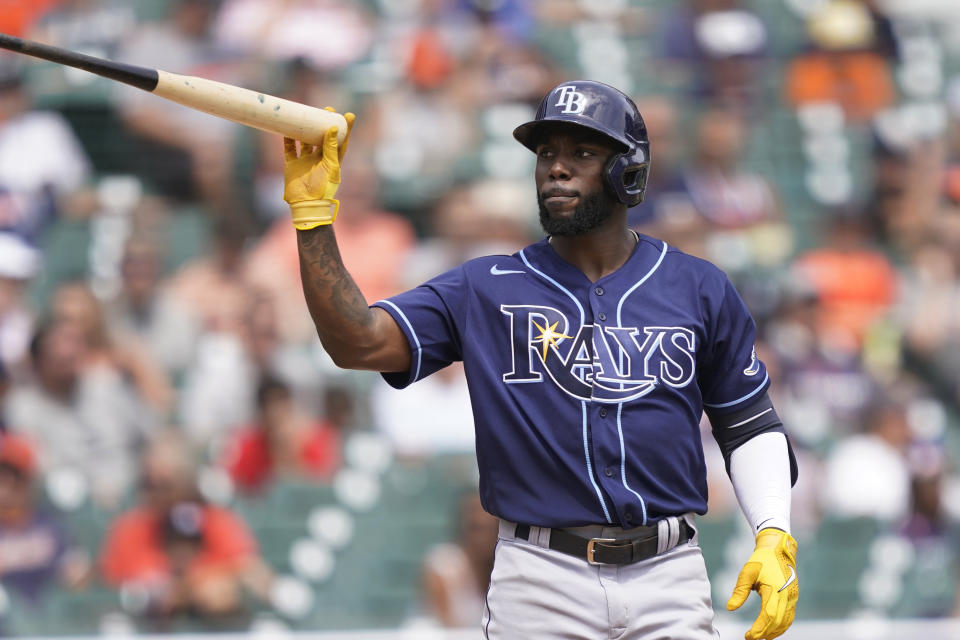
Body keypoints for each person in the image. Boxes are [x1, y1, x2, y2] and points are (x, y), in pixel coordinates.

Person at [282, 81, 799, 639]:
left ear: (630, 169)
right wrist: (314, 221)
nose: (556, 168)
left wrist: (774, 531)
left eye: (581, 152)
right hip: (540, 576)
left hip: (668, 572)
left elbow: (747, 424)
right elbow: (357, 341)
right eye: (547, 153)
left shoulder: (697, 286)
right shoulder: (486, 287)